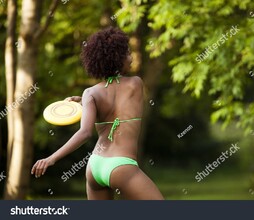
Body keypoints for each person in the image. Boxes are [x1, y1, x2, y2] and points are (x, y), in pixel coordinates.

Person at [31, 27, 164, 200]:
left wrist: (51, 158)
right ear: (117, 58)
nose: (131, 59)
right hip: (122, 165)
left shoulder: (90, 94)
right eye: (128, 54)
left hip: (95, 166)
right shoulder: (135, 84)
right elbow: (118, 102)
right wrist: (52, 158)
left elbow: (85, 130)